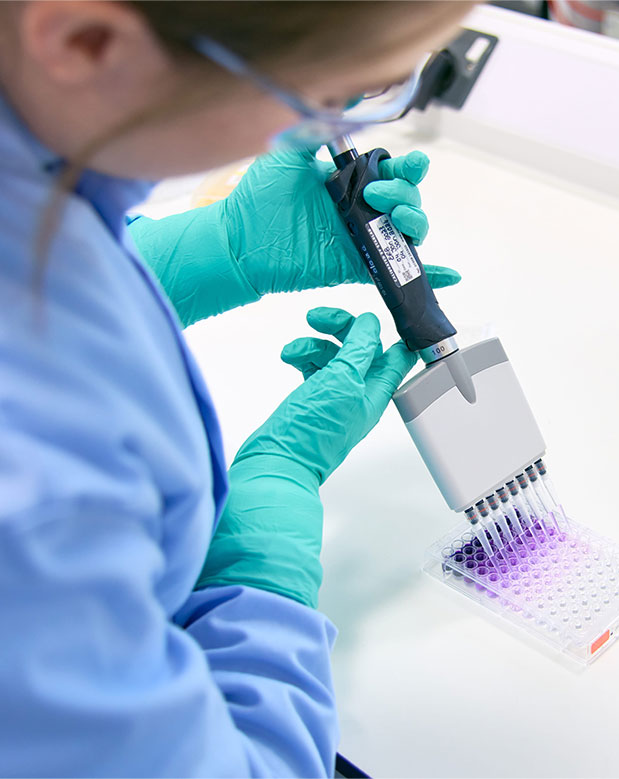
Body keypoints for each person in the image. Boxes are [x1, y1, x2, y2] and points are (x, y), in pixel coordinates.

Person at [0, 2, 471, 775]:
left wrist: (224, 247)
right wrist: (259, 571)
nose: (325, 136)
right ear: (88, 42)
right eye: (315, 99)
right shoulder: (36, 491)